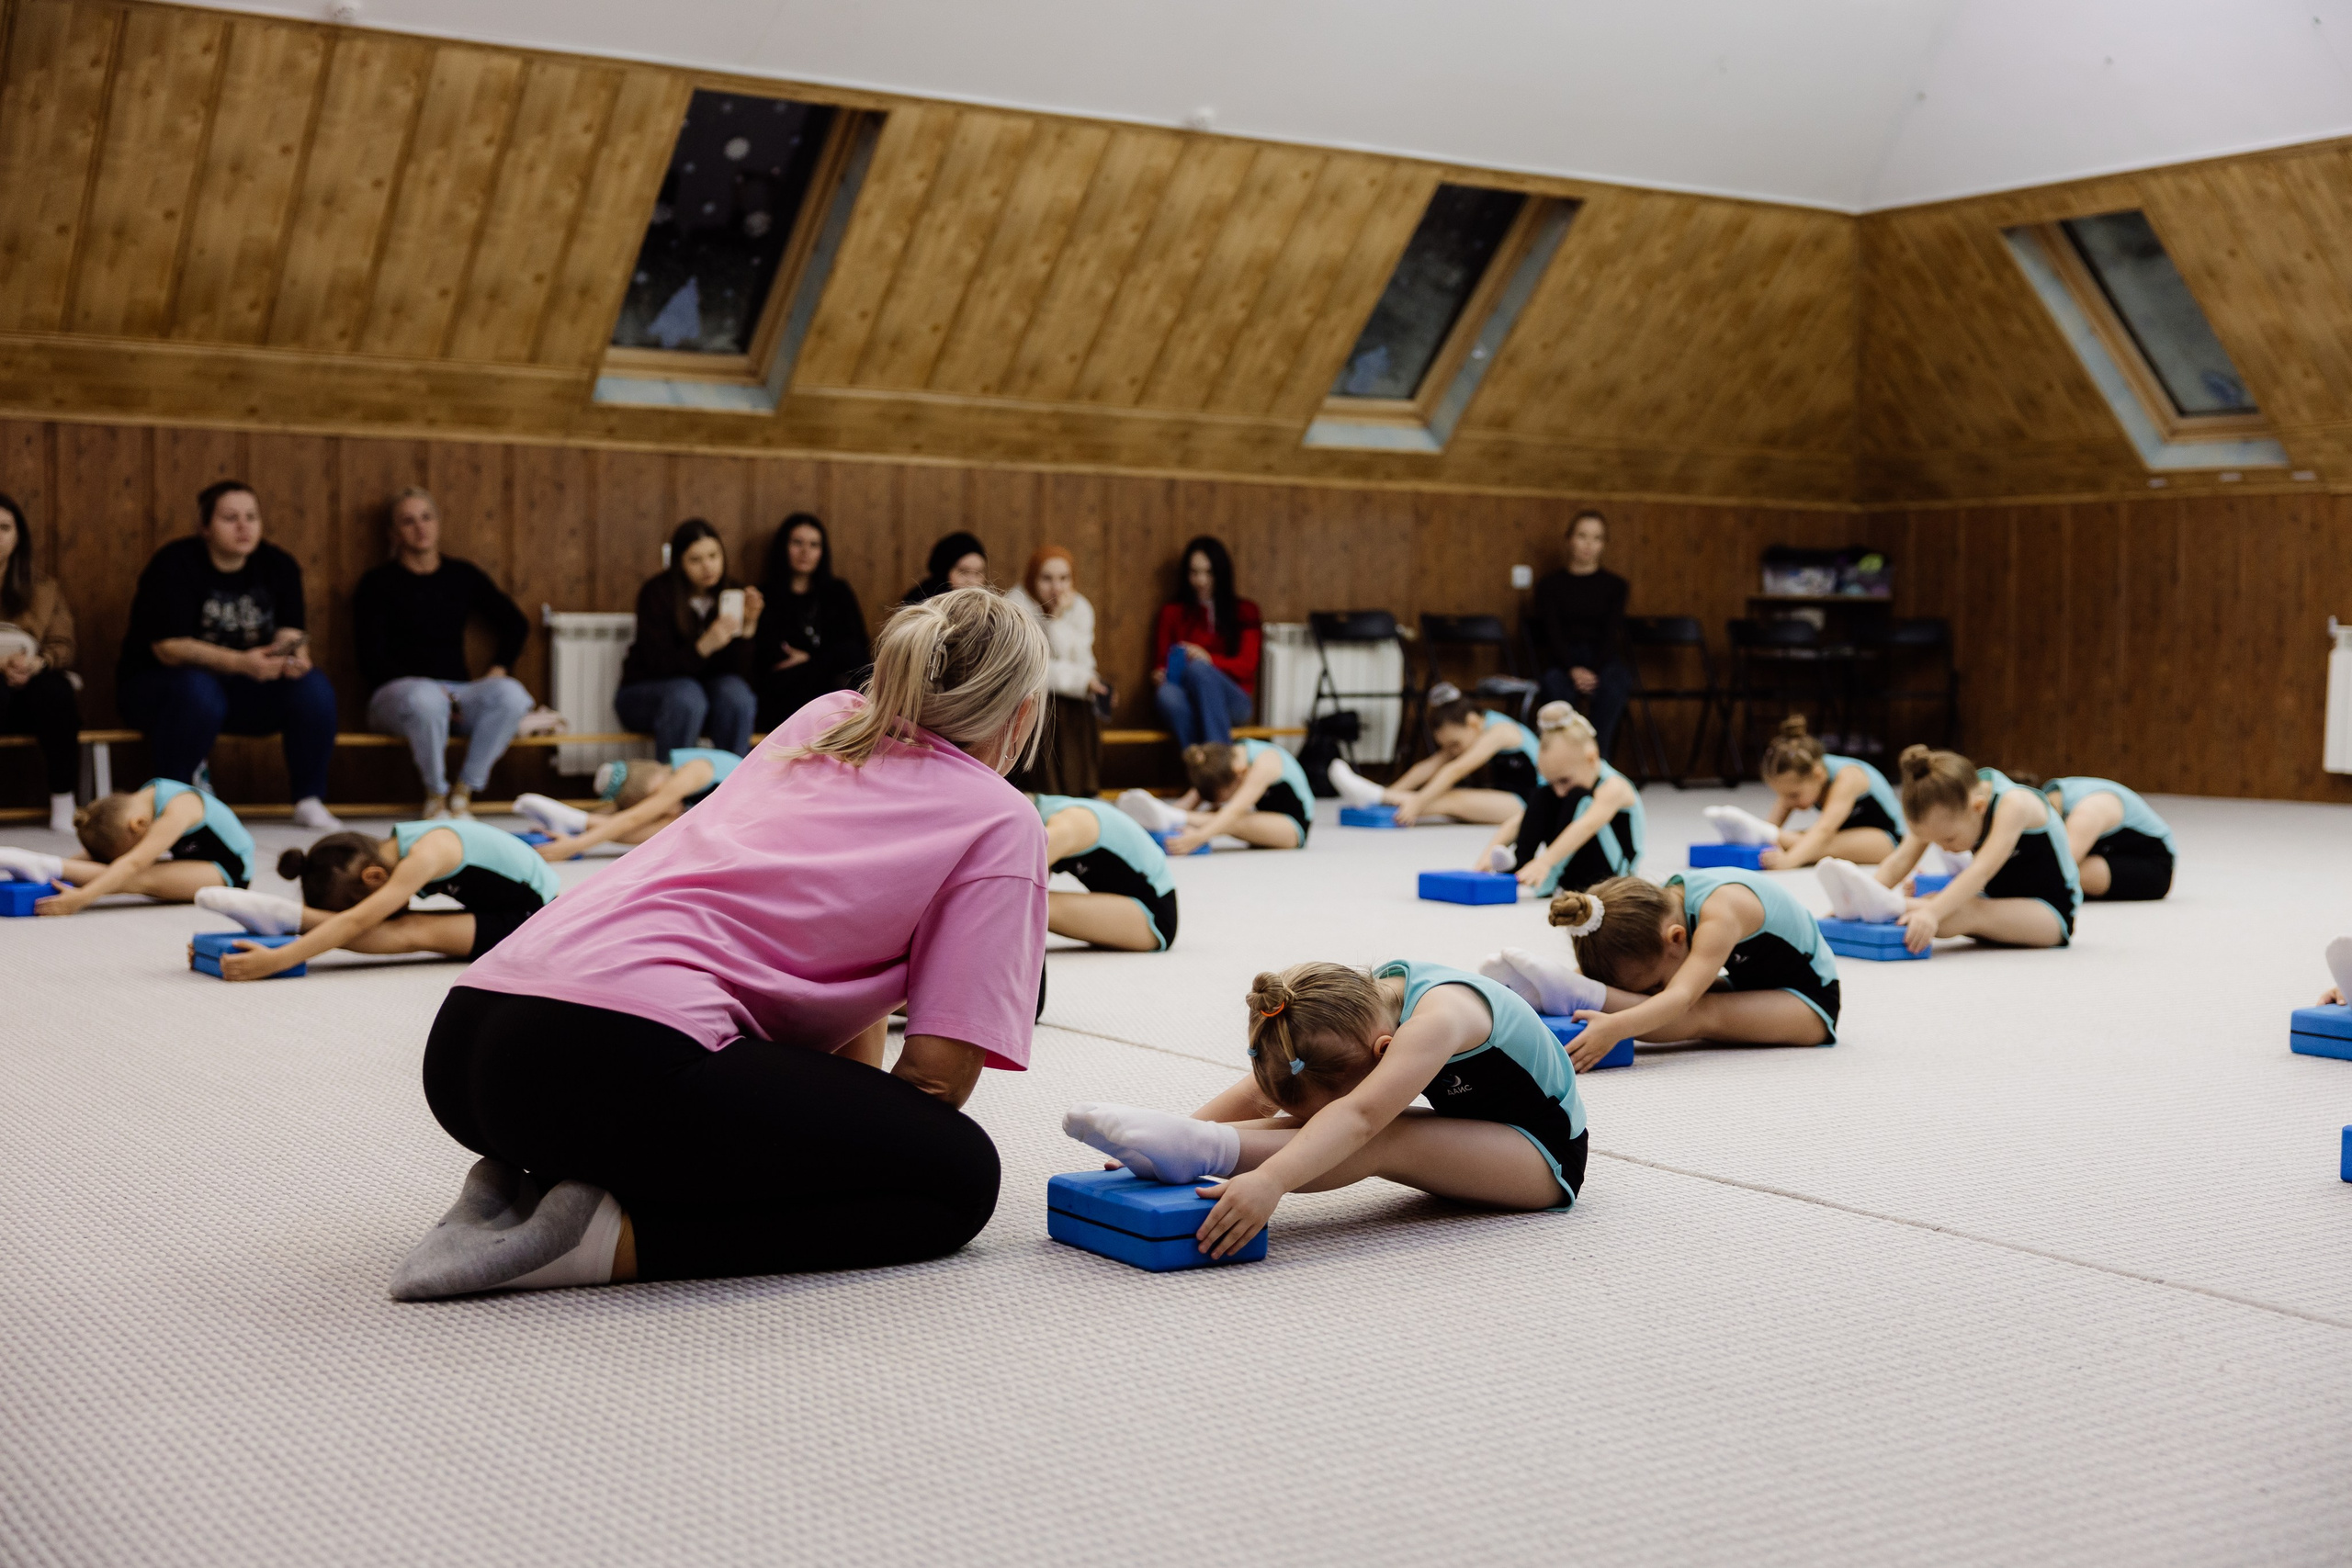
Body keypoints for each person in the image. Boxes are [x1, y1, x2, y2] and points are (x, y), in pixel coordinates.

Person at [379, 587, 1049, 1300]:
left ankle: (540, 1179)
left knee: (845, 1137)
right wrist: (855, 1158)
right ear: (1023, 716)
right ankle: (601, 1240)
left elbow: (834, 996)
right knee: (957, 1177)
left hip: (466, 1045)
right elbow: (934, 1082)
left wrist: (831, 1129)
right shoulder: (1001, 819)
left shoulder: (828, 718)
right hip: (615, 1054)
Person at [1061, 957, 1589, 1259]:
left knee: (1380, 1132)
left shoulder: (1437, 1021)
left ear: (1385, 1053)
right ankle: (1190, 1143)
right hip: (1477, 1128)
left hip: (1544, 1157)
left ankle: (1208, 1152)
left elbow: (1358, 1117)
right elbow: (1266, 1089)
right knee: (1333, 1117)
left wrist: (1270, 1181)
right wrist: (1182, 1126)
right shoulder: (1350, 1010)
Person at [117, 479, 340, 829]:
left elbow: (291, 630)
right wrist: (241, 662)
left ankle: (309, 798)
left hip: (245, 688)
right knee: (199, 689)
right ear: (205, 527)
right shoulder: (174, 564)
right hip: (162, 689)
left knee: (313, 687)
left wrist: (294, 657)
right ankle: (173, 798)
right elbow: (168, 648)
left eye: (251, 516)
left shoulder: (278, 564)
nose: (244, 526)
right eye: (230, 518)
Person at [1483, 871, 1838, 1072]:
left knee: (1697, 1010)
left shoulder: (1721, 914)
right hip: (1753, 982)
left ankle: (1582, 994)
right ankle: (1571, 989)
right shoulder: (1663, 905)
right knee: (1656, 1001)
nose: (1652, 988)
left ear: (1676, 938)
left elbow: (1680, 998)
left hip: (1808, 1004)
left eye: (1654, 979)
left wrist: (1615, 1028)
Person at [355, 488, 536, 820]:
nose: (420, 528)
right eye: (408, 521)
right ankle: (435, 793)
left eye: (426, 517)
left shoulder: (461, 576)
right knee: (426, 698)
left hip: (457, 691)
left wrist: (498, 669)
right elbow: (370, 658)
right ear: (394, 534)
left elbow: (515, 623)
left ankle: (464, 791)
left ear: (438, 523)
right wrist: (426, 688)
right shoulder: (377, 584)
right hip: (397, 693)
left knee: (512, 695)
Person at [195, 818, 564, 978]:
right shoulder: (398, 845)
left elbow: (357, 921)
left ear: (373, 877)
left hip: (541, 920)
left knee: (408, 929)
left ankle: (293, 917)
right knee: (402, 924)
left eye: (357, 899)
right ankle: (290, 918)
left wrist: (279, 959)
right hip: (505, 907)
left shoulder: (425, 854)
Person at [1816, 745, 2081, 953]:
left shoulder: (2015, 805)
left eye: (1949, 839)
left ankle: (1888, 906)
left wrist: (1931, 913)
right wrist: (1860, 896)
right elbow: (1900, 860)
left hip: (2050, 914)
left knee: (1962, 909)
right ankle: (1870, 904)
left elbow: (1980, 872)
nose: (1944, 848)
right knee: (1933, 901)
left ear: (1978, 808)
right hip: (2001, 901)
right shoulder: (1946, 800)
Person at [615, 520, 763, 759]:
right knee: (687, 695)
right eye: (696, 560)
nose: (708, 567)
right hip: (645, 693)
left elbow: (741, 674)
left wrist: (748, 627)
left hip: (706, 697)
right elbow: (657, 665)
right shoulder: (657, 593)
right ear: (679, 564)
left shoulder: (734, 592)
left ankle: (731, 786)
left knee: (737, 696)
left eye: (714, 556)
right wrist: (705, 646)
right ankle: (677, 789)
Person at [0, 778, 254, 914]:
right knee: (122, 868)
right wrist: (70, 867)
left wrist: (82, 898)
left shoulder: (177, 810)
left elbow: (132, 862)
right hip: (195, 861)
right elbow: (105, 854)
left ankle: (49, 866)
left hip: (229, 871)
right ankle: (45, 864)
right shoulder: (143, 800)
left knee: (141, 875)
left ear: (138, 825)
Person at [1477, 703, 1645, 894]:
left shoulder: (1614, 787)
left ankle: (1548, 872)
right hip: (1571, 865)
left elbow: (1586, 825)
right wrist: (1488, 854)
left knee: (1578, 799)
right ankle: (1517, 864)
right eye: (1554, 782)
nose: (1559, 791)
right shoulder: (1561, 787)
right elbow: (1520, 821)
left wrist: (1546, 862)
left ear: (1591, 759)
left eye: (1564, 780)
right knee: (1543, 795)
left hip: (1611, 874)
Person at [1702, 715, 1904, 869]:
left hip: (1887, 841)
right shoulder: (1803, 780)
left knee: (1818, 846)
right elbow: (1772, 827)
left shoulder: (1848, 778)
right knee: (1795, 839)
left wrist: (1789, 861)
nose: (1789, 801)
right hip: (1845, 835)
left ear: (1818, 775)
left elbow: (1824, 830)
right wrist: (1764, 835)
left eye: (1794, 795)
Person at [1325, 687, 1540, 828]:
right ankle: (1379, 796)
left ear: (1473, 722)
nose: (1453, 750)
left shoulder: (1500, 732)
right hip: (1508, 797)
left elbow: (1455, 770)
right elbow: (1427, 767)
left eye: (1455, 744)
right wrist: (1393, 791)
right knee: (1440, 794)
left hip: (1533, 803)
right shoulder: (1471, 733)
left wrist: (1418, 804)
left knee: (1450, 799)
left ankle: (1376, 798)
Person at [0, 491, 80, 832]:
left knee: (56, 692)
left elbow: (64, 644)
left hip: (31, 678)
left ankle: (64, 800)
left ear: (18, 536)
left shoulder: (43, 587)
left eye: (4, 527)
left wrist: (39, 663)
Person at [1529, 510, 1632, 759]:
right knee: (1553, 685)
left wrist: (1593, 671)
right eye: (1582, 536)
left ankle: (1597, 757)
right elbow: (1552, 633)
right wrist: (1572, 669)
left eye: (1597, 538)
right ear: (1569, 540)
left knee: (1617, 682)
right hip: (1563, 659)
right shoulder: (1549, 586)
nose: (1588, 544)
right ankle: (1567, 759)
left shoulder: (1616, 586)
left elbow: (1611, 634)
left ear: (1603, 544)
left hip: (1602, 659)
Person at [1006, 547, 1106, 798]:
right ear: (1032, 578)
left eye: (1064, 578)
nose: (1057, 588)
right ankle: (1047, 790)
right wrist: (1082, 681)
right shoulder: (1015, 606)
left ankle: (1081, 789)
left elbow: (1084, 661)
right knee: (1051, 701)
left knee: (1082, 700)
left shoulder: (1079, 607)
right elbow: (1032, 668)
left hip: (1065, 693)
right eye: (1047, 578)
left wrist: (1059, 620)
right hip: (1023, 692)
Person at [753, 513, 869, 731]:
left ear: (822, 552)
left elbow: (856, 649)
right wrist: (827, 657)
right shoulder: (766, 594)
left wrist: (810, 658)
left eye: (814, 545)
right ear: (783, 547)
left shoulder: (838, 592)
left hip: (832, 687)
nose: (805, 552)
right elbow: (772, 657)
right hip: (785, 691)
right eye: (797, 543)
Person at [514, 750, 741, 860]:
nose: (667, 805)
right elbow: (625, 815)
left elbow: (634, 818)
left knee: (673, 823)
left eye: (657, 799)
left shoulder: (694, 770)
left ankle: (576, 823)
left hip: (746, 820)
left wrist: (575, 846)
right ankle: (574, 822)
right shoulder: (670, 779)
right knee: (673, 822)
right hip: (729, 824)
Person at [1152, 536, 1261, 749]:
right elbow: (1161, 663)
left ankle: (1217, 766)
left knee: (1199, 670)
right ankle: (1207, 771)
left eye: (1209, 572)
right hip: (1186, 699)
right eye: (1194, 573)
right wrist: (1159, 676)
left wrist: (1209, 660)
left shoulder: (1245, 611)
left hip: (1235, 701)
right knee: (1166, 695)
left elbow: (1247, 666)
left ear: (1221, 573)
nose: (1201, 580)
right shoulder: (1172, 613)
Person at [1034, 792, 1176, 952]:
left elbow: (1011, 878)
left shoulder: (1067, 825)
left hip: (1152, 916)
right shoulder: (1048, 809)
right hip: (1123, 903)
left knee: (1026, 903)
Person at [1117, 738, 1314, 852]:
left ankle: (1173, 818)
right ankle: (1168, 817)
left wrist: (1199, 837)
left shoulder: (1265, 764)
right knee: (1216, 814)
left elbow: (1234, 811)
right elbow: (1193, 798)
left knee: (1230, 818)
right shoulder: (1223, 762)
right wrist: (1153, 819)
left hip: (1293, 830)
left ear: (1239, 774)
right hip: (1267, 820)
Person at [2040, 776, 2176, 901]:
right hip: (2107, 851)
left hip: (2152, 865)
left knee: (2046, 874)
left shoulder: (2088, 809)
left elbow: (2060, 865)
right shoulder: (2053, 794)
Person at [901, 532, 988, 604]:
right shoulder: (919, 603)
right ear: (944, 571)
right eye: (963, 572)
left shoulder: (986, 605)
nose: (972, 582)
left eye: (978, 573)